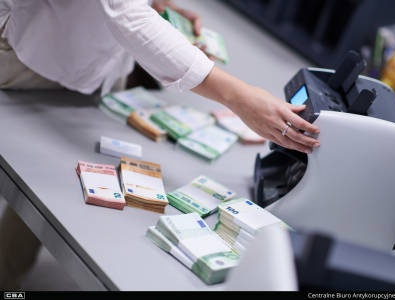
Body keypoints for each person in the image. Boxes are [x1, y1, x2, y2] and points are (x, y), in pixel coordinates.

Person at [0, 0, 321, 290]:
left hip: (94, 54)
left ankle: (10, 266)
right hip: (36, 49)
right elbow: (127, 13)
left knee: (66, 172)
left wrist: (156, 2)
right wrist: (239, 96)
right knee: (35, 169)